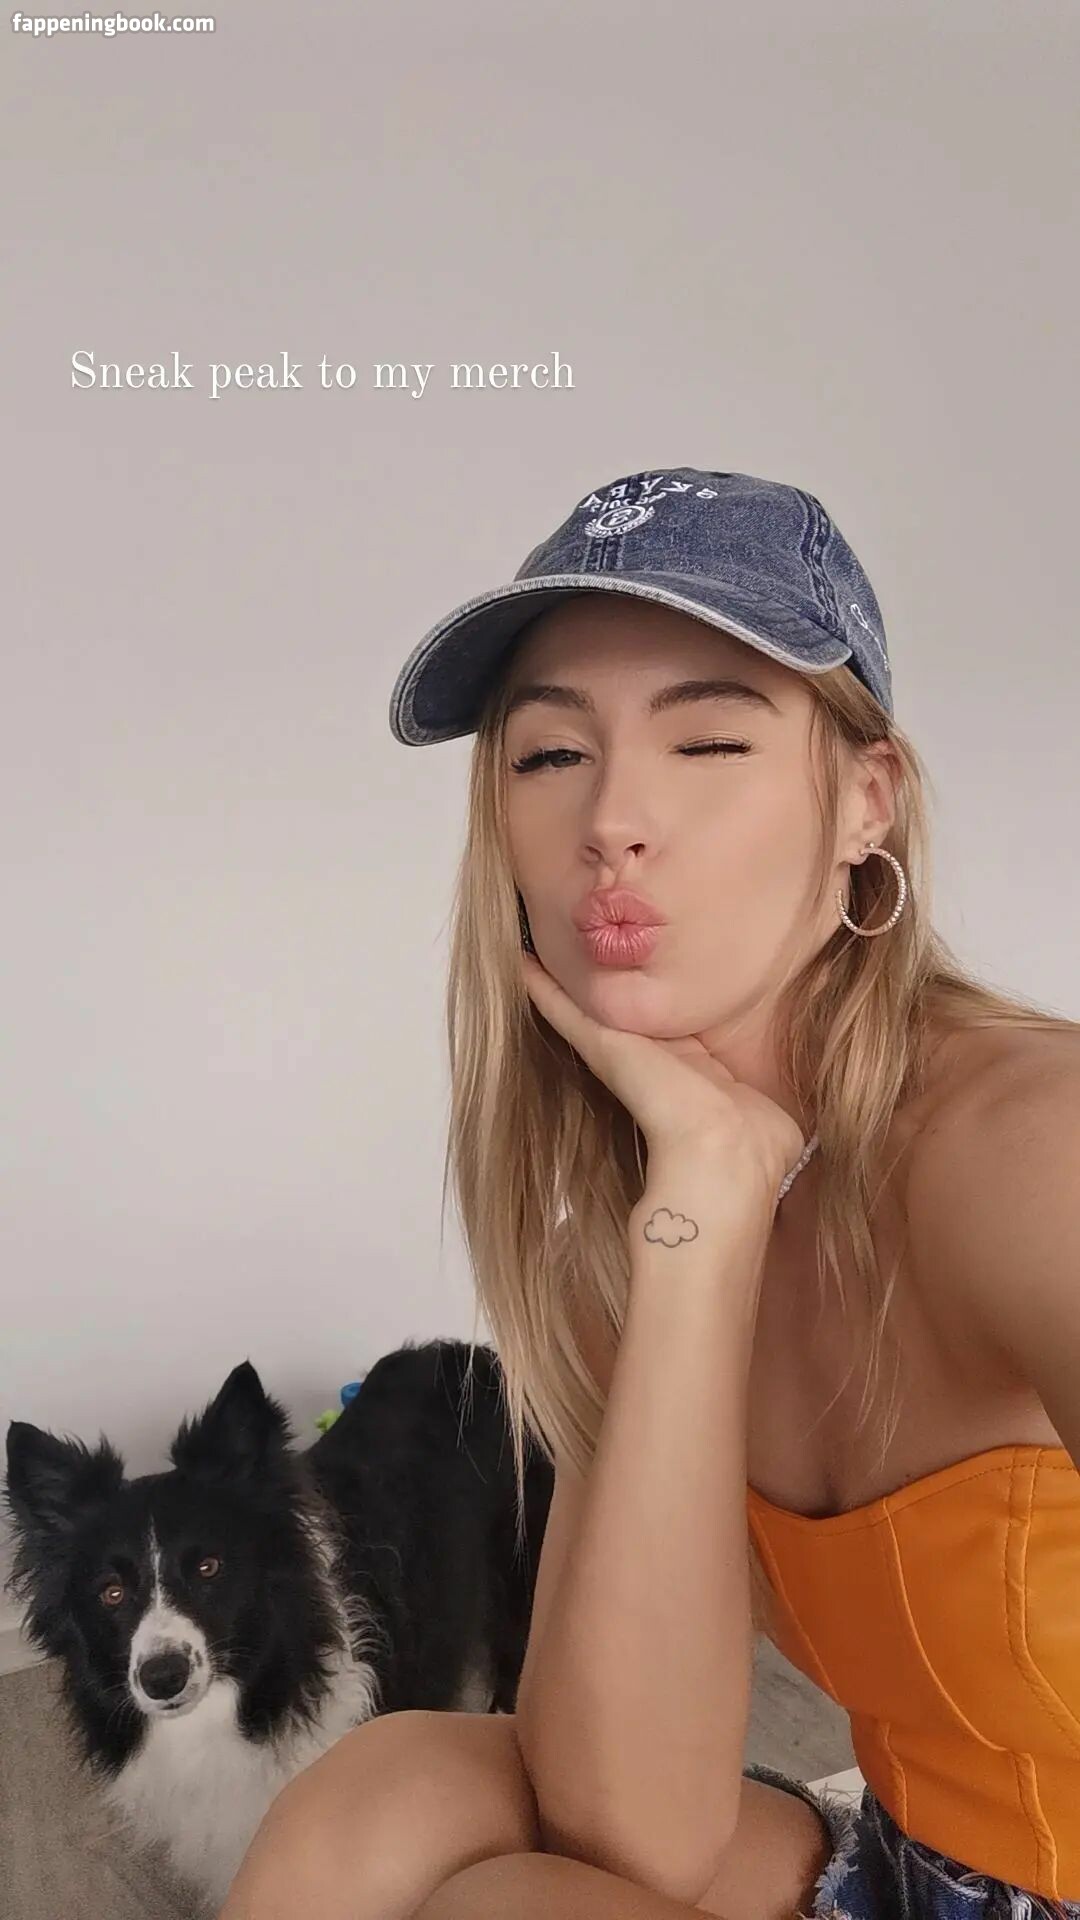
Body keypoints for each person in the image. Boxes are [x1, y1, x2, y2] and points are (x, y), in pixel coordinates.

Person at [218, 468, 1080, 1920]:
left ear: (866, 802)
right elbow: (630, 1828)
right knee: (393, 1795)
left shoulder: (1036, 1145)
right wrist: (706, 1212)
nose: (613, 818)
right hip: (920, 1866)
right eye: (552, 753)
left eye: (710, 739)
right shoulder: (662, 1212)